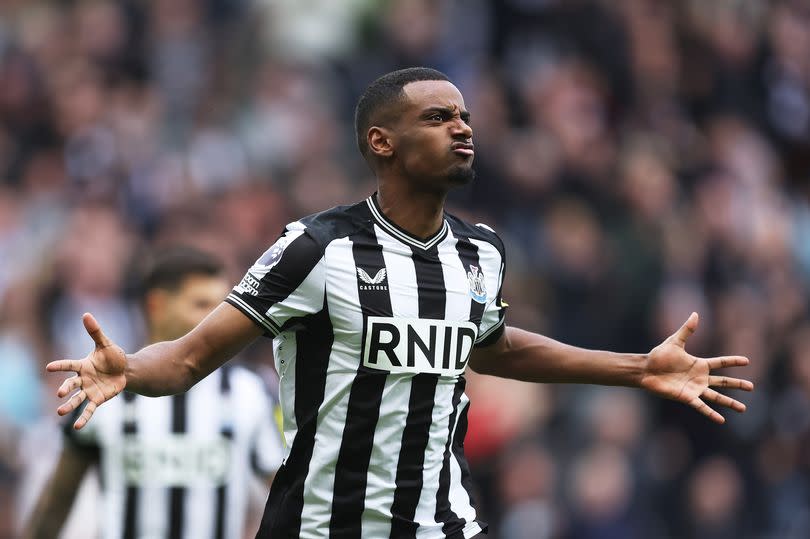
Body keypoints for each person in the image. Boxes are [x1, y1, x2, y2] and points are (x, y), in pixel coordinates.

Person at [46, 67, 753, 539]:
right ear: (382, 142)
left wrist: (637, 367)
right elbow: (192, 356)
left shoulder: (482, 252)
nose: (463, 128)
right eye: (439, 117)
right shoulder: (316, 248)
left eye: (465, 116)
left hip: (444, 521)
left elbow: (495, 345)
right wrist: (129, 370)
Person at [27, 247, 283, 539]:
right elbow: (56, 502)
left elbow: (284, 493)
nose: (218, 318)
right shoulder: (105, 389)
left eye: (223, 306)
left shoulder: (252, 393)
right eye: (202, 304)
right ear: (157, 305)